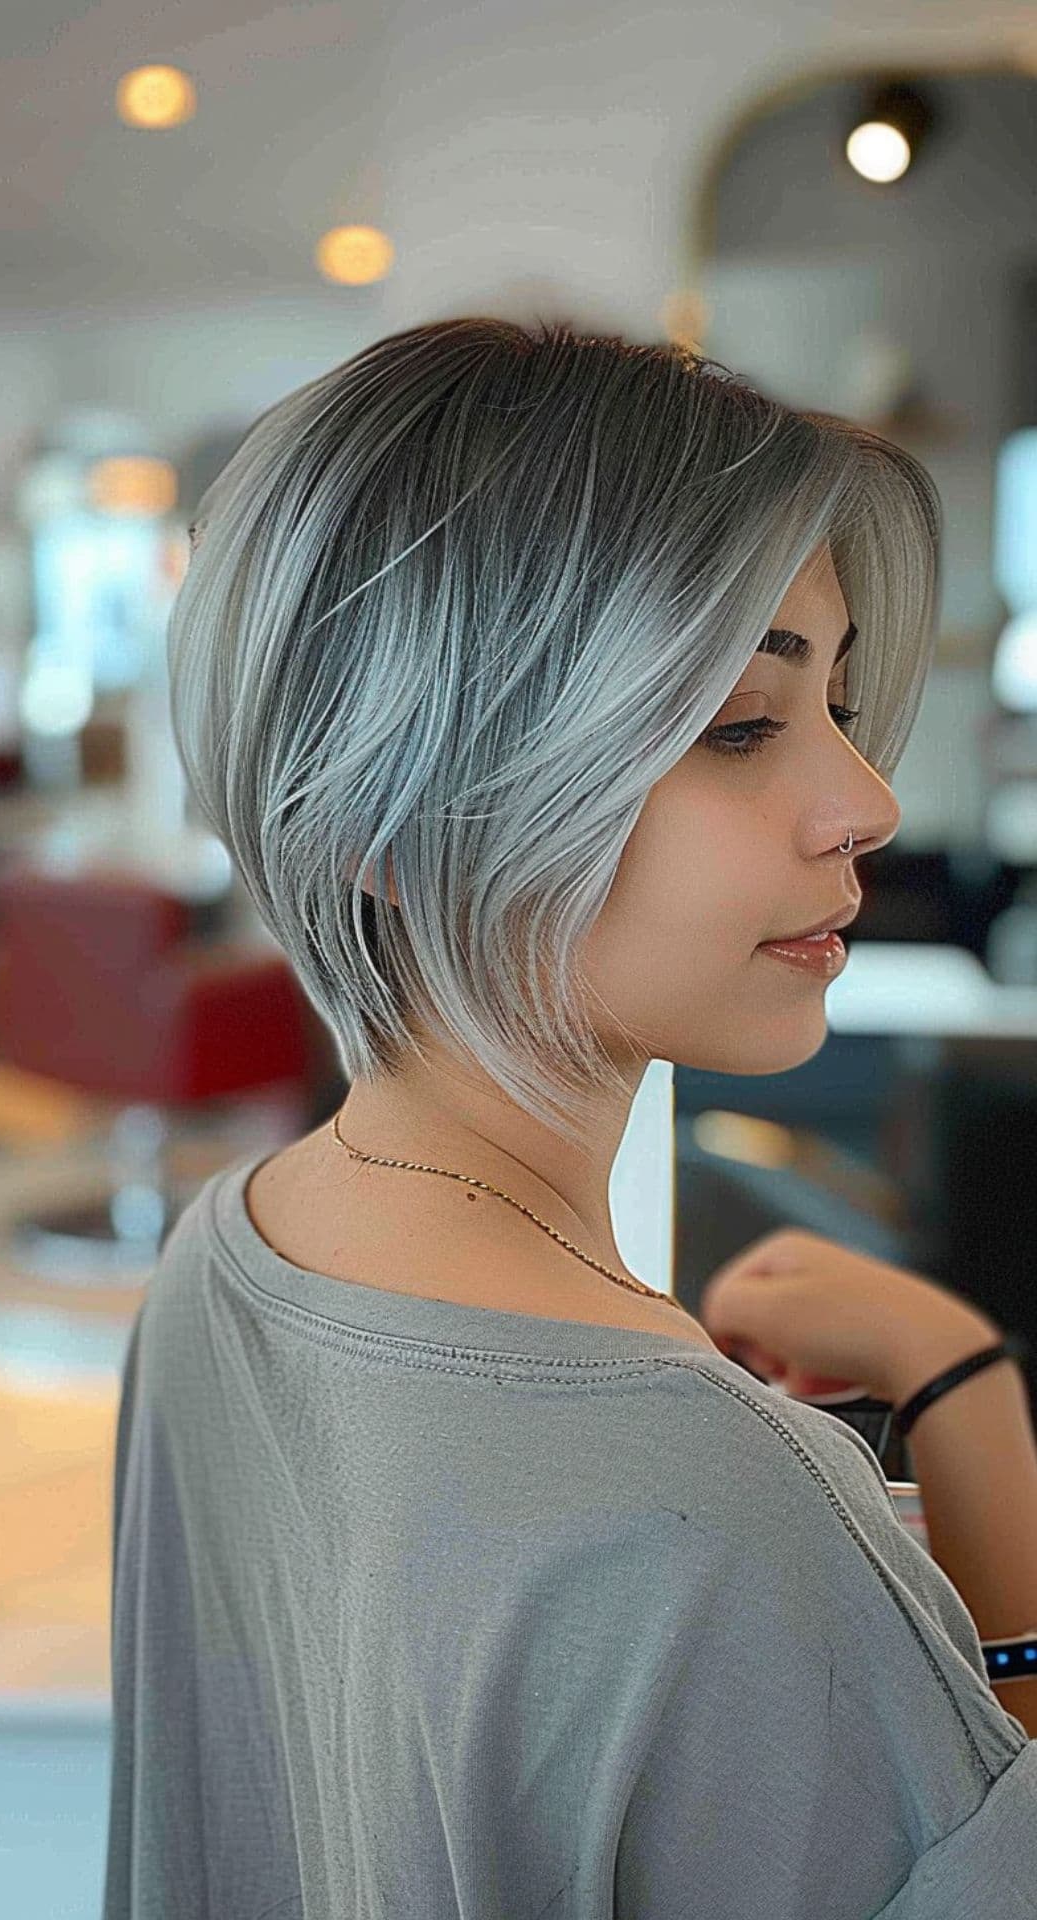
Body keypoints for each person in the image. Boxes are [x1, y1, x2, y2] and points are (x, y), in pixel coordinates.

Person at [103, 317, 1037, 1918]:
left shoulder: (228, 1253)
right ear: (392, 815)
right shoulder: (720, 1500)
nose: (867, 799)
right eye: (742, 726)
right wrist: (976, 1400)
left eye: (841, 705)